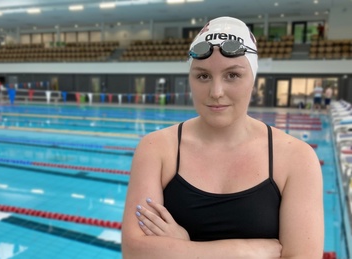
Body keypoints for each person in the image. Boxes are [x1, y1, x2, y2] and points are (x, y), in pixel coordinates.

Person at [122, 16, 323, 258]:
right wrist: (245, 251)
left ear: (253, 79)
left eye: (232, 75)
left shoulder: (296, 158)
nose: (216, 92)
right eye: (203, 76)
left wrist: (183, 246)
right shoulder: (156, 148)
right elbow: (135, 252)